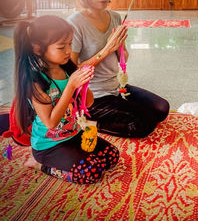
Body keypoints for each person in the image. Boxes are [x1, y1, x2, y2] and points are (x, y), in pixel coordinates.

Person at [67, 0, 169, 138]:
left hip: (116, 87)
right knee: (145, 123)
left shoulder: (115, 17)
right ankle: (90, 123)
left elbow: (124, 58)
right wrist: (107, 48)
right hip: (93, 95)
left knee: (161, 109)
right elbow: (72, 71)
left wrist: (120, 45)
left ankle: (114, 111)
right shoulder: (75, 23)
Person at [14, 15, 119, 184]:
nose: (69, 51)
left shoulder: (68, 69)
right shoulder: (36, 82)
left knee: (112, 155)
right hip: (49, 146)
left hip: (73, 134)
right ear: (38, 49)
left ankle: (72, 156)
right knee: (90, 173)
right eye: (62, 47)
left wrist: (84, 83)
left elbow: (88, 103)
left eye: (70, 44)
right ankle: (40, 165)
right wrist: (70, 86)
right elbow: (51, 123)